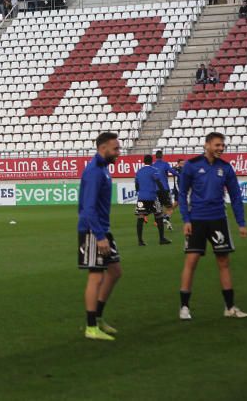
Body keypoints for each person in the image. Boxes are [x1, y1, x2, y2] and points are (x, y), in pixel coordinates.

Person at [178, 132, 247, 321]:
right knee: (191, 261)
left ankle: (229, 307)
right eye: (217, 145)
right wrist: (186, 219)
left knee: (224, 262)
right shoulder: (192, 165)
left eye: (222, 145)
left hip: (218, 219)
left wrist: (241, 222)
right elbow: (182, 193)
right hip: (197, 220)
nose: (221, 148)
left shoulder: (225, 168)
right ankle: (184, 307)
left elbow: (235, 196)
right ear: (207, 145)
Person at [77, 132, 123, 341]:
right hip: (93, 230)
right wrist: (99, 235)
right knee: (96, 276)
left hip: (102, 229)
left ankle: (98, 317)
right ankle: (90, 326)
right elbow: (88, 208)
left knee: (114, 272)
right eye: (115, 148)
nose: (118, 152)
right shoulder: (94, 171)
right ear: (103, 148)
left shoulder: (103, 169)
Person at [134, 154, 168, 246]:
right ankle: (161, 239)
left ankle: (140, 241)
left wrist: (140, 191)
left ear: (143, 161)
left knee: (140, 217)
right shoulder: (154, 170)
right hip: (153, 197)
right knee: (159, 216)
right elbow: (158, 182)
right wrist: (164, 194)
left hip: (141, 198)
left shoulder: (139, 171)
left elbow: (136, 186)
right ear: (151, 161)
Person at [152, 151, 175, 233]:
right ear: (162, 156)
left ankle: (160, 222)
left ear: (155, 157)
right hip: (165, 189)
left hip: (156, 190)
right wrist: (179, 174)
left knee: (159, 207)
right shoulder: (165, 164)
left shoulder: (153, 166)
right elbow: (172, 172)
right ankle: (166, 218)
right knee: (170, 207)